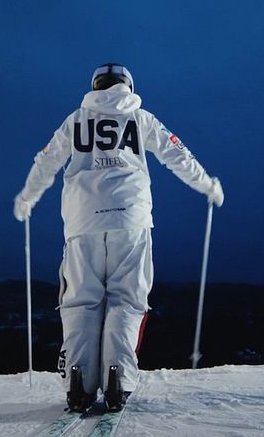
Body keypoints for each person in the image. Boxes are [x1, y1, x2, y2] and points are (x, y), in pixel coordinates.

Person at [13, 63, 224, 412]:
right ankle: (118, 381)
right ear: (129, 85)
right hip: (130, 218)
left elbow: (46, 161)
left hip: (82, 221)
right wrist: (207, 185)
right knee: (127, 299)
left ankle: (79, 382)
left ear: (95, 86)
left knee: (81, 300)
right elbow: (177, 154)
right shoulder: (141, 119)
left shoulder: (76, 120)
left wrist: (27, 197)